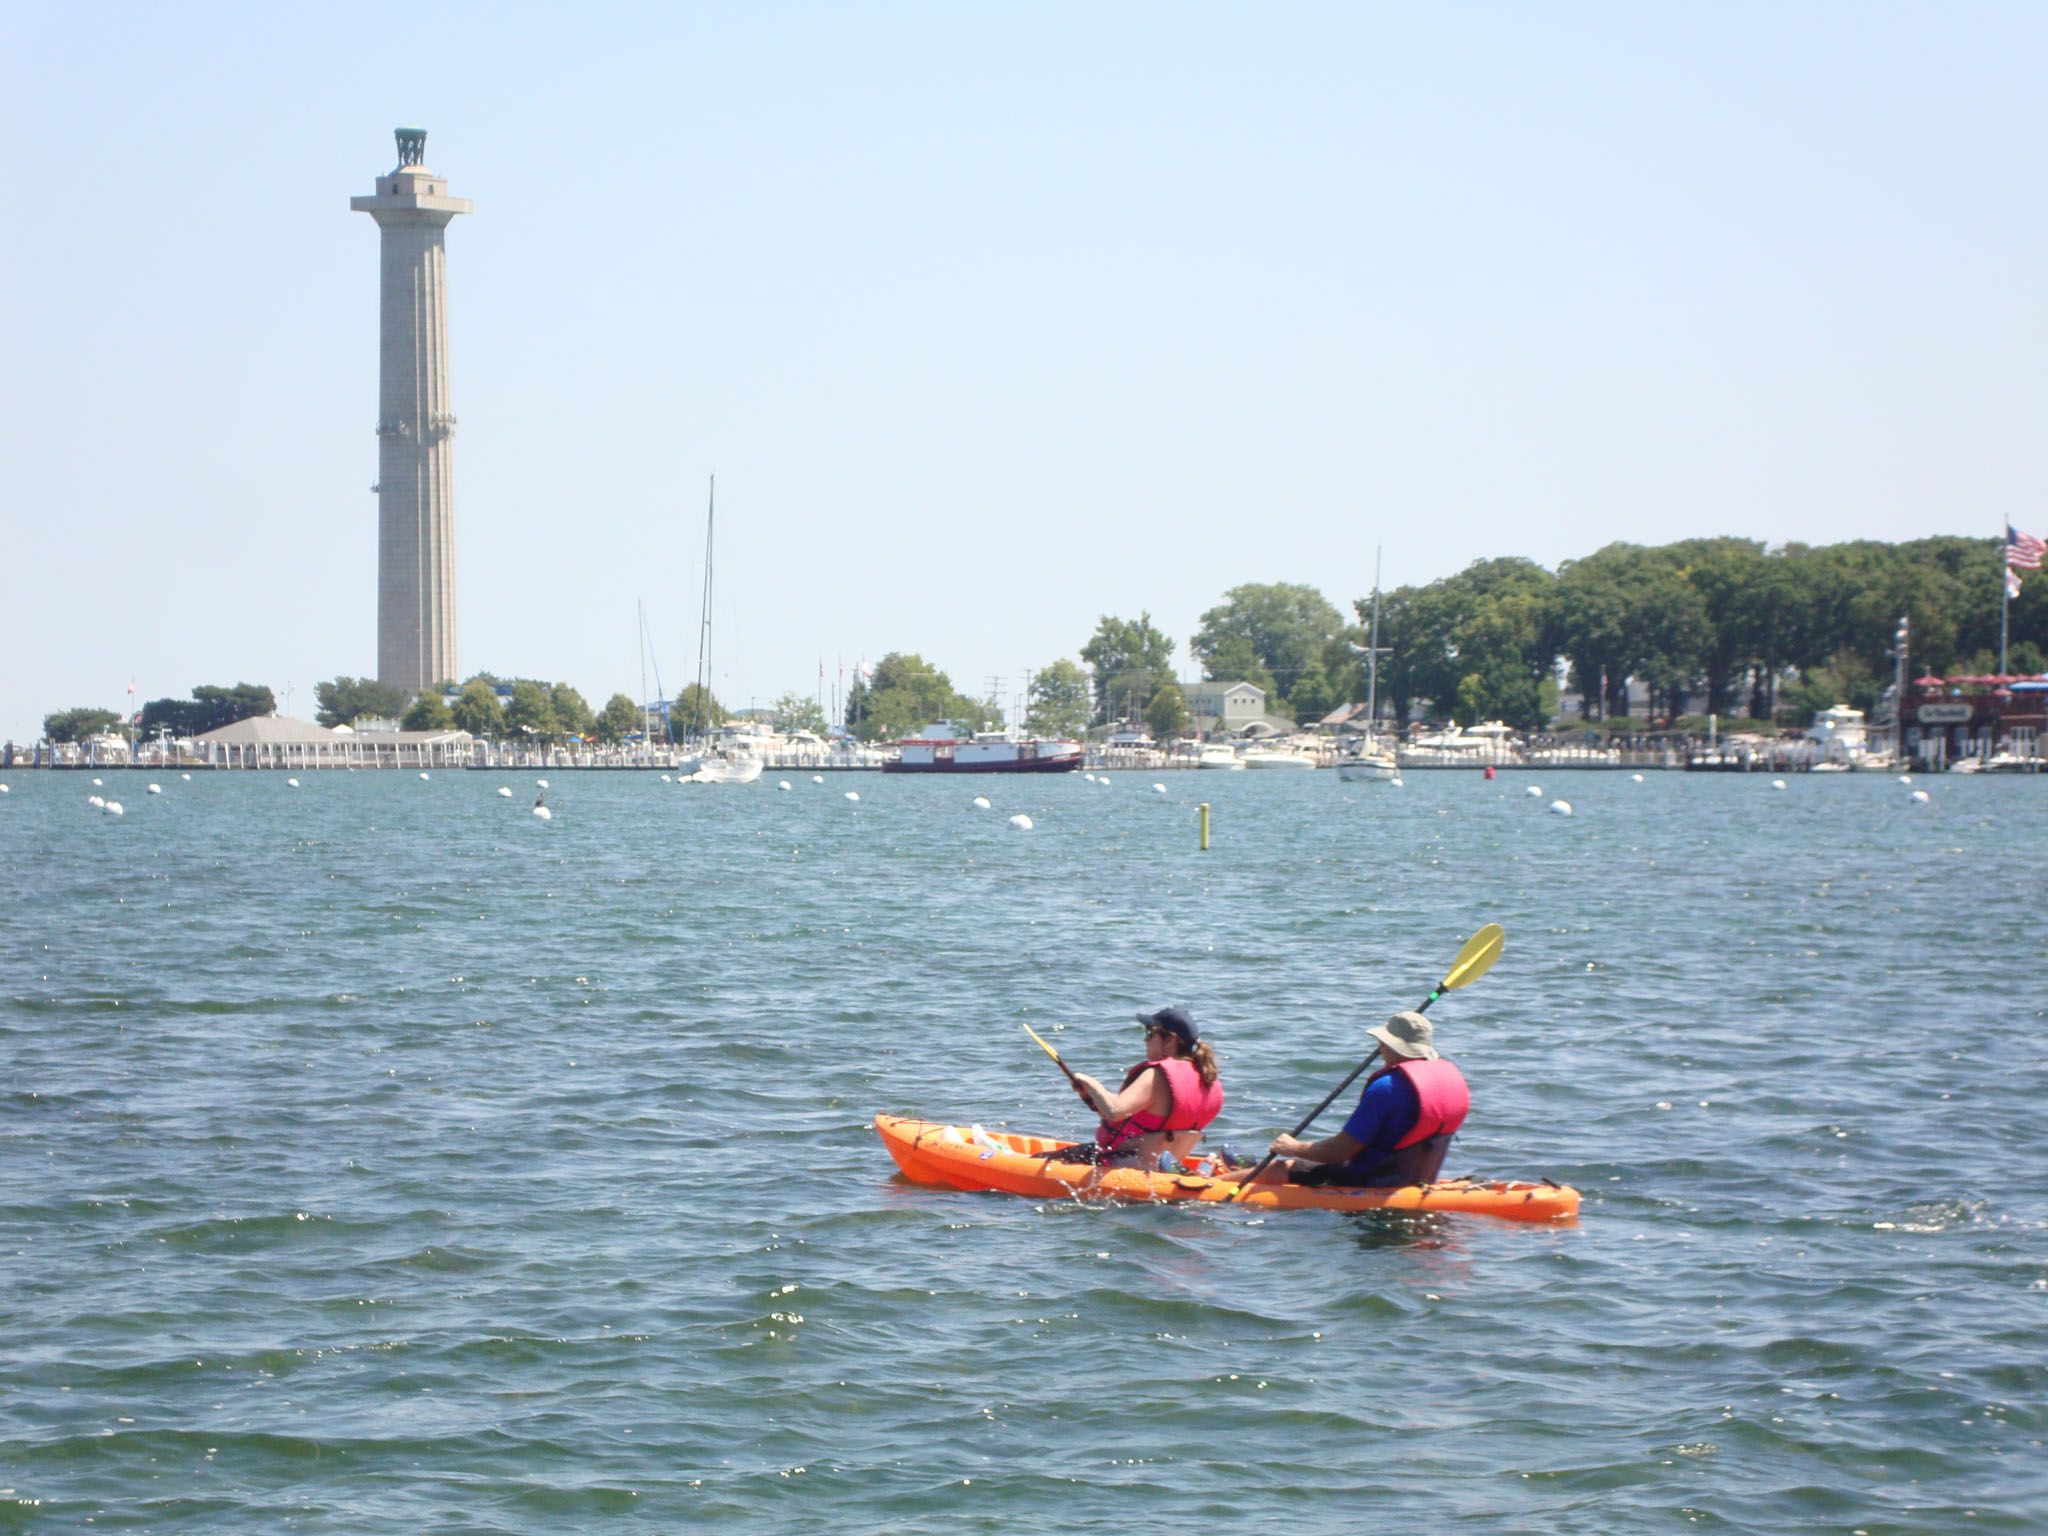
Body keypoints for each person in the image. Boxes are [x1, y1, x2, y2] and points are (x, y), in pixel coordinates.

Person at [1239, 1011, 1468, 1187]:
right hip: (1416, 1176)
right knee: (1304, 1160)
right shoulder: (1446, 1082)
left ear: (1390, 1045)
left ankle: (1218, 1184)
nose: (1380, 1049)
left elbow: (1339, 1152)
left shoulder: (1387, 1088)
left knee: (1282, 1167)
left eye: (1382, 1043)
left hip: (1369, 1179)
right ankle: (1246, 1167)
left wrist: (1293, 1147)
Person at [1067, 1006, 1225, 1167]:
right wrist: (1091, 1097)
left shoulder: (1156, 1076)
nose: (1145, 1040)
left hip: (1124, 1164)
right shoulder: (1207, 1079)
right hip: (1165, 1165)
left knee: (1053, 1159)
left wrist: (1088, 1082)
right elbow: (1134, 1121)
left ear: (1170, 1040)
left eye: (1150, 1034)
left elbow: (1115, 1111)